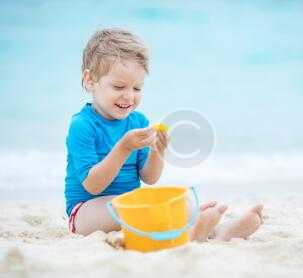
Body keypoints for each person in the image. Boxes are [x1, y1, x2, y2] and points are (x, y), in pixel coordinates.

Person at [65, 28, 263, 242]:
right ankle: (195, 229)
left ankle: (219, 233)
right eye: (119, 86)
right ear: (90, 80)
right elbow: (93, 185)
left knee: (183, 201)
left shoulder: (138, 121)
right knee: (138, 210)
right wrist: (124, 148)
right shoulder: (82, 125)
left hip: (131, 205)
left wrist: (158, 151)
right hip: (86, 212)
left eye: (137, 88)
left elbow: (150, 178)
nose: (129, 96)